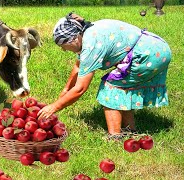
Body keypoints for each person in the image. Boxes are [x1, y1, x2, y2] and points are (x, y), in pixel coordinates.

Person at [37, 12, 171, 139]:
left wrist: (55, 106)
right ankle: (130, 130)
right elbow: (78, 66)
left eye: (63, 45)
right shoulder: (87, 33)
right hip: (157, 48)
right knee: (123, 86)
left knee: (111, 87)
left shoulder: (91, 45)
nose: (63, 49)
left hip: (147, 55)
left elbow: (80, 89)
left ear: (74, 38)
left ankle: (115, 136)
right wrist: (66, 90)